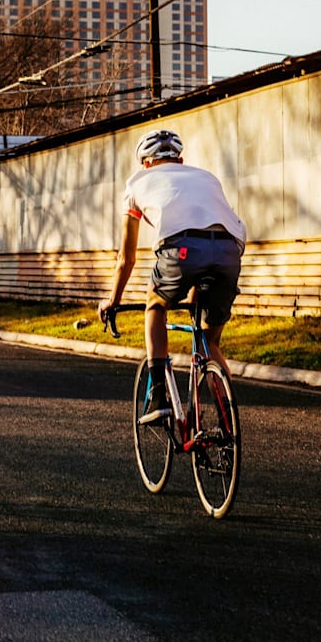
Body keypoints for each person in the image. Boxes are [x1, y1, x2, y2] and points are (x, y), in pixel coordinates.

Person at [98, 128, 246, 423]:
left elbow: (126, 259)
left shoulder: (136, 183)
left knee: (154, 306)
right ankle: (228, 422)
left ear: (146, 163)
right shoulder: (206, 177)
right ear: (180, 160)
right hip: (230, 251)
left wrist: (113, 300)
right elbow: (213, 226)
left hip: (182, 249)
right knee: (209, 342)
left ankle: (158, 398)